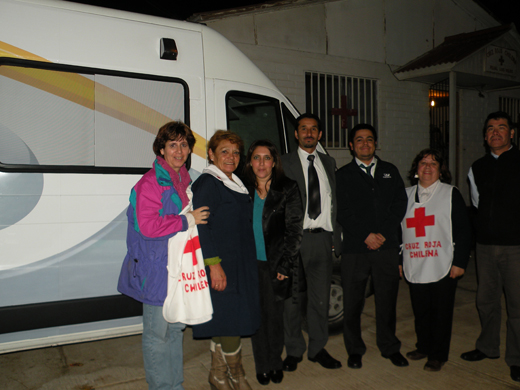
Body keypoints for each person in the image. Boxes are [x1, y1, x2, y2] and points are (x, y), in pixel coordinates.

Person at [117, 121, 210, 390]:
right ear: (161, 149)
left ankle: (174, 385)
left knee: (176, 329)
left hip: (178, 268)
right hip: (156, 270)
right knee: (157, 334)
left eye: (184, 145)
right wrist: (187, 220)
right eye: (173, 145)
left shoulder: (183, 178)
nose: (179, 151)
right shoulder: (150, 183)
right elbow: (148, 227)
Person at [191, 130, 260, 390]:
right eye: (224, 151)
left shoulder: (233, 181)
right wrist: (214, 264)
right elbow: (201, 227)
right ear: (211, 154)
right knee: (233, 320)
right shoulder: (209, 183)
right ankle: (237, 375)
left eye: (235, 152)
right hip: (221, 263)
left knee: (224, 319)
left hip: (237, 261)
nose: (231, 157)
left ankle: (218, 375)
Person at [336, 123, 408, 369]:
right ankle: (355, 349)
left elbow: (400, 204)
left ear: (376, 143)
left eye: (369, 139)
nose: (364, 143)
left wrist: (382, 234)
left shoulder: (390, 171)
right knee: (353, 302)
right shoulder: (343, 174)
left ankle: (389, 347)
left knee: (387, 300)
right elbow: (342, 211)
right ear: (351, 145)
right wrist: (366, 234)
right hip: (356, 249)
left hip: (386, 247)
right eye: (359, 140)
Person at [462, 111, 520, 383]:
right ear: (485, 136)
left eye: (502, 127)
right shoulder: (476, 167)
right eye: (490, 129)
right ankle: (487, 347)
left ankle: (517, 357)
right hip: (484, 247)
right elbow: (476, 202)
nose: (496, 132)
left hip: (516, 248)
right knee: (486, 301)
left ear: (511, 133)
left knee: (517, 305)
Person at [281, 113, 342, 371]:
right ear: (296, 134)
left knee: (320, 299)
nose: (308, 133)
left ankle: (318, 348)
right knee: (292, 300)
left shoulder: (328, 162)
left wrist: (335, 238)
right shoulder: (283, 163)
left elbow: (333, 200)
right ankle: (294, 349)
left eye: (313, 129)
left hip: (322, 239)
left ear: (320, 135)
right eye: (303, 129)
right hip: (295, 241)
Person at [402, 149, 471, 372]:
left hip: (443, 262)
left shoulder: (450, 194)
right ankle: (423, 346)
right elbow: (397, 230)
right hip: (415, 261)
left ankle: (437, 355)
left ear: (441, 170)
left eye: (434, 163)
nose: (428, 167)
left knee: (441, 312)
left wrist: (460, 262)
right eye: (423, 163)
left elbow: (463, 230)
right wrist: (400, 259)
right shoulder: (405, 195)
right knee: (420, 310)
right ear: (416, 170)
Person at [243, 140, 304, 386]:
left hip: (276, 264)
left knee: (275, 317)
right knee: (257, 317)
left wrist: (286, 265)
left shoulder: (287, 188)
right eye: (256, 158)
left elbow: (294, 230)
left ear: (274, 161)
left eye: (266, 158)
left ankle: (275, 363)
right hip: (249, 264)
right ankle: (262, 365)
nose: (261, 163)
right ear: (249, 161)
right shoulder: (241, 188)